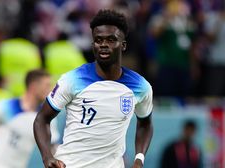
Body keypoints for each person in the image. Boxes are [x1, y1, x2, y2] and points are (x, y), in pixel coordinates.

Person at [34, 9, 154, 168]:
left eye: (111, 40)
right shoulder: (72, 79)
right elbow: (41, 119)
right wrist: (47, 156)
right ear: (93, 45)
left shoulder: (140, 86)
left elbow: (145, 124)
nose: (104, 45)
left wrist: (139, 159)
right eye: (99, 40)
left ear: (123, 45)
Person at [0, 69, 60, 168]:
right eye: (47, 85)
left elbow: (53, 148)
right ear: (33, 87)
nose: (51, 90)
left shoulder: (46, 117)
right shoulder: (7, 106)